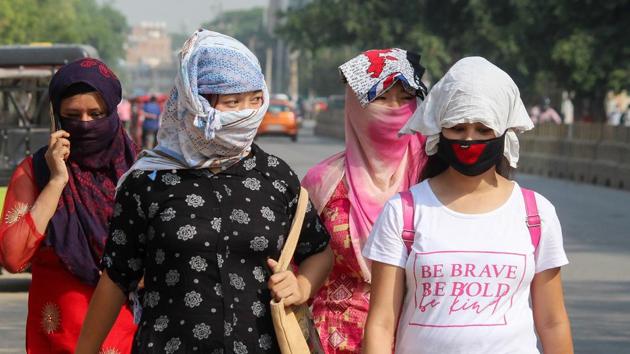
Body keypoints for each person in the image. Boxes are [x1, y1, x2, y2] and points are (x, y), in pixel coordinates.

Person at [76, 29, 333, 353]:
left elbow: (319, 249)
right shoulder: (148, 182)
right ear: (195, 102)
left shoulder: (275, 177)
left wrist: (302, 285)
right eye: (232, 102)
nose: (246, 112)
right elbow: (115, 277)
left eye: (254, 100)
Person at [362, 57, 573, 354]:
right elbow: (381, 322)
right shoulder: (404, 212)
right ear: (439, 131)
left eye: (483, 130)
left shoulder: (535, 213)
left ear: (503, 133)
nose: (470, 138)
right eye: (458, 128)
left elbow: (553, 322)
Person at [0, 58, 138, 353]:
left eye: (96, 113)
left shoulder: (140, 171)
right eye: (73, 115)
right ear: (58, 119)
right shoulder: (35, 172)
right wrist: (56, 181)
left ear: (113, 113)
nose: (86, 124)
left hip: (126, 334)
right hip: (57, 338)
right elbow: (13, 258)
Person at [301, 48, 429, 353]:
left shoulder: (434, 176)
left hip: (417, 338)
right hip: (332, 341)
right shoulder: (323, 182)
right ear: (355, 105)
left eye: (405, 97)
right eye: (382, 98)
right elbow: (297, 264)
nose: (395, 108)